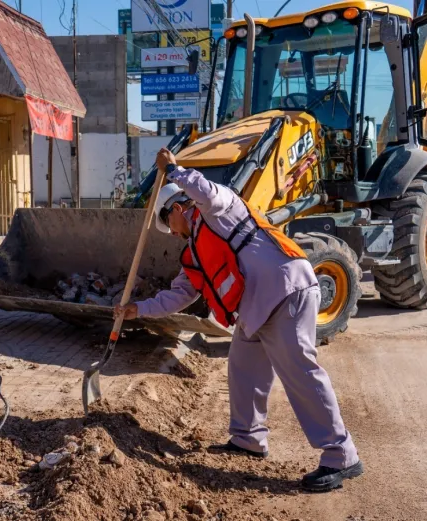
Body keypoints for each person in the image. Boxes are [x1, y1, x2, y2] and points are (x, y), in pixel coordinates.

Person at [115, 148, 363, 492]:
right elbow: (180, 295)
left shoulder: (219, 207)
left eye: (167, 224)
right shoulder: (194, 252)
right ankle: (248, 438)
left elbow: (204, 189)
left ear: (176, 208)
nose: (170, 233)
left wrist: (173, 169)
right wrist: (137, 310)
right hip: (255, 311)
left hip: (286, 290)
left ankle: (341, 454)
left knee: (301, 372)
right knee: (243, 368)